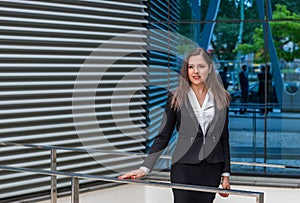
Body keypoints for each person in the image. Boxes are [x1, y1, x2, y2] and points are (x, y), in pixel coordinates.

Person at [118, 47, 231, 203]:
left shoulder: (221, 97)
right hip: (184, 167)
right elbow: (163, 135)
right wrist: (145, 168)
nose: (195, 71)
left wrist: (226, 174)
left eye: (201, 66)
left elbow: (224, 138)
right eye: (191, 67)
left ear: (210, 68)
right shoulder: (175, 97)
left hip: (211, 169)